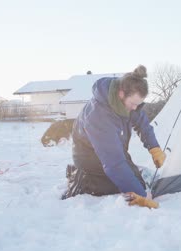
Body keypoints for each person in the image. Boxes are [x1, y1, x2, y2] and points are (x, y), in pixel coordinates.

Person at [62, 65, 165, 209]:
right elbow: (114, 164)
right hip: (89, 155)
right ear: (121, 94)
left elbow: (143, 124)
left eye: (138, 104)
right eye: (133, 104)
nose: (135, 108)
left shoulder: (128, 98)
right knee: (120, 185)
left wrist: (154, 148)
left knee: (137, 182)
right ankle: (82, 179)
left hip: (113, 147)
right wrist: (141, 196)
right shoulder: (98, 116)